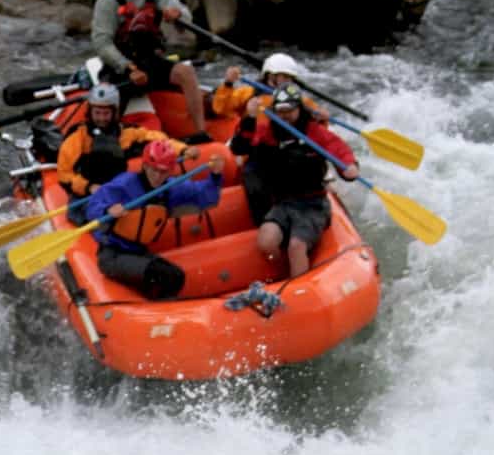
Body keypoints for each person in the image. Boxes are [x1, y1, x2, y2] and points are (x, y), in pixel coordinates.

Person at [230, 83, 358, 279]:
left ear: (299, 109)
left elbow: (338, 148)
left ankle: (300, 287)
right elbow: (240, 147)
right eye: (281, 111)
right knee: (266, 242)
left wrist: (349, 166)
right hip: (283, 202)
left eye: (290, 110)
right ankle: (283, 271)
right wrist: (250, 118)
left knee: (297, 246)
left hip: (312, 204)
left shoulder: (313, 131)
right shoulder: (268, 131)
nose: (285, 116)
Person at [89, 0, 212, 144]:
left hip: (151, 62)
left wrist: (178, 14)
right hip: (121, 68)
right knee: (106, 100)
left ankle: (201, 133)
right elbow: (102, 44)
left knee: (185, 72)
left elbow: (186, 16)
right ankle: (108, 142)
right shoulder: (109, 1)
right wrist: (128, 68)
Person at [83, 139, 224, 300]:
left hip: (138, 253)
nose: (158, 176)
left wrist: (216, 175)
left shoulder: (169, 188)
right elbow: (92, 206)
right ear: (144, 166)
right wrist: (107, 209)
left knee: (177, 276)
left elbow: (204, 193)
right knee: (166, 275)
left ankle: (161, 310)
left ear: (170, 171)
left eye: (163, 172)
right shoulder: (124, 184)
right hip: (112, 256)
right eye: (154, 170)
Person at [56, 83, 190, 222]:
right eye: (97, 113)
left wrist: (182, 149)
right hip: (87, 194)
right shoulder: (77, 138)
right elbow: (64, 174)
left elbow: (159, 141)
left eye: (106, 113)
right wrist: (89, 187)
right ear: (90, 112)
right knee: (96, 219)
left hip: (119, 188)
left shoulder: (126, 133)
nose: (101, 118)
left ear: (115, 112)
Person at [210, 52, 320, 120]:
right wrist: (228, 84)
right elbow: (221, 109)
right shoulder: (248, 93)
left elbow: (319, 121)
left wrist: (321, 117)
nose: (289, 81)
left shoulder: (298, 99)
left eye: (291, 78)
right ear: (271, 76)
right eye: (285, 77)